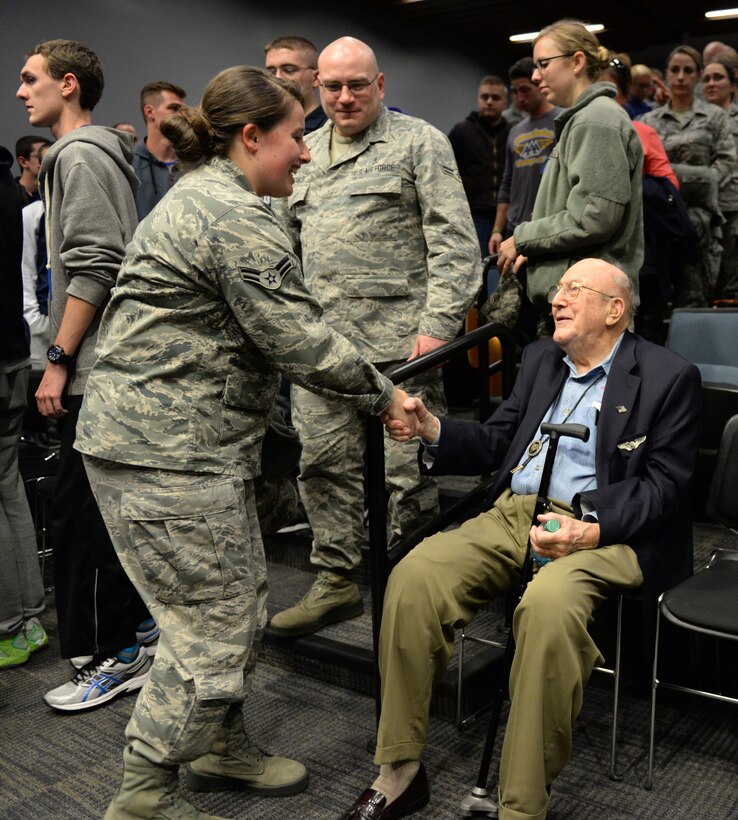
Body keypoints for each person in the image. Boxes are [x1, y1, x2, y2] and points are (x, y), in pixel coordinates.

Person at [74, 64, 415, 819]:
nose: (307, 150)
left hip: (175, 445)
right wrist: (390, 395)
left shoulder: (216, 198)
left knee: (235, 600)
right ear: (252, 136)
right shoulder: (231, 215)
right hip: (165, 454)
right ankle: (144, 796)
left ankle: (219, 744)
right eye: (297, 136)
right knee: (213, 625)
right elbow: (299, 338)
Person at [342, 258, 702, 820]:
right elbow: (499, 440)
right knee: (415, 575)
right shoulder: (539, 360)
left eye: (574, 290)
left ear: (615, 309)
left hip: (604, 532)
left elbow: (666, 489)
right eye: (557, 288)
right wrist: (432, 428)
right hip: (515, 513)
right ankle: (400, 770)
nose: (557, 298)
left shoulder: (667, 376)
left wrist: (591, 528)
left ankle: (522, 806)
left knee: (548, 606)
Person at [270, 36, 480, 638]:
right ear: (317, 87)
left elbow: (455, 242)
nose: (344, 96)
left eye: (357, 84)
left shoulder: (420, 143)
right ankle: (336, 581)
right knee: (322, 467)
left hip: (400, 355)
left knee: (405, 473)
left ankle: (419, 589)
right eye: (332, 86)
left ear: (380, 85)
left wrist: (437, 329)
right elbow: (285, 249)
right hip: (323, 353)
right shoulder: (303, 152)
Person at [16, 39, 156, 710]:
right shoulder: (83, 156)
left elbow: (98, 263)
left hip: (94, 369)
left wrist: (59, 360)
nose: (20, 92)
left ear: (68, 85)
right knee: (91, 512)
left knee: (88, 519)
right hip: (94, 368)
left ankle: (120, 654)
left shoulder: (78, 155)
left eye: (30, 79)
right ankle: (132, 637)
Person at [497, 20, 644, 321]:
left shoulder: (596, 120)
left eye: (543, 64)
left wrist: (524, 237)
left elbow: (594, 218)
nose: (536, 76)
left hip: (591, 306)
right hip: (577, 300)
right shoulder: (584, 119)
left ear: (577, 61)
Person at [601, 56, 694, 342]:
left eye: (610, 90)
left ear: (625, 96)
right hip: (596, 247)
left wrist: (628, 186)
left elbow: (669, 185)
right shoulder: (574, 130)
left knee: (644, 327)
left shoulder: (642, 132)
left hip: (642, 248)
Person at [642, 45, 738, 306]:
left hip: (704, 220)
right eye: (675, 70)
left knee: (698, 298)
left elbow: (727, 162)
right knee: (657, 303)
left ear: (697, 76)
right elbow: (644, 169)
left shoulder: (715, 116)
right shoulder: (649, 121)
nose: (681, 77)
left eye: (688, 70)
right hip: (661, 221)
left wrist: (695, 187)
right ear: (667, 76)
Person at [0, 143, 47, 670]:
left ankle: (10, 624)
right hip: (15, 357)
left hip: (8, 358)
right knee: (8, 483)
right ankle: (28, 614)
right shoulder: (10, 196)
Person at [489, 56, 560, 344]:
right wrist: (497, 229)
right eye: (515, 91)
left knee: (547, 314)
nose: (520, 97)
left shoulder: (561, 120)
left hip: (544, 231)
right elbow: (506, 184)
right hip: (514, 231)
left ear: (538, 84)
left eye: (525, 89)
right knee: (514, 317)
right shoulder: (514, 132)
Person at [448, 75, 510, 255]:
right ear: (478, 100)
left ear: (505, 103)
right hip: (475, 215)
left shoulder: (513, 132)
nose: (489, 102)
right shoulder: (462, 132)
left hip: (507, 215)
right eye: (485, 97)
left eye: (495, 98)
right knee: (478, 266)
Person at [702, 56, 738, 302]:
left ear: (733, 84)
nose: (711, 84)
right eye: (706, 79)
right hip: (704, 210)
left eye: (719, 78)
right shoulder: (697, 119)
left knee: (732, 283)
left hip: (733, 207)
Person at [132, 80, 186, 218]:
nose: (182, 115)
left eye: (183, 110)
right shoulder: (129, 165)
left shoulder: (194, 164)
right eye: (174, 108)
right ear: (150, 112)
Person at [265, 35, 327, 133]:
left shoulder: (330, 129)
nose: (277, 77)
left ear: (316, 78)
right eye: (271, 71)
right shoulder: (265, 126)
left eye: (289, 69)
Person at [14, 135, 52, 205]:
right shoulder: (9, 195)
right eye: (40, 156)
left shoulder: (54, 193)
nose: (47, 161)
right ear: (23, 162)